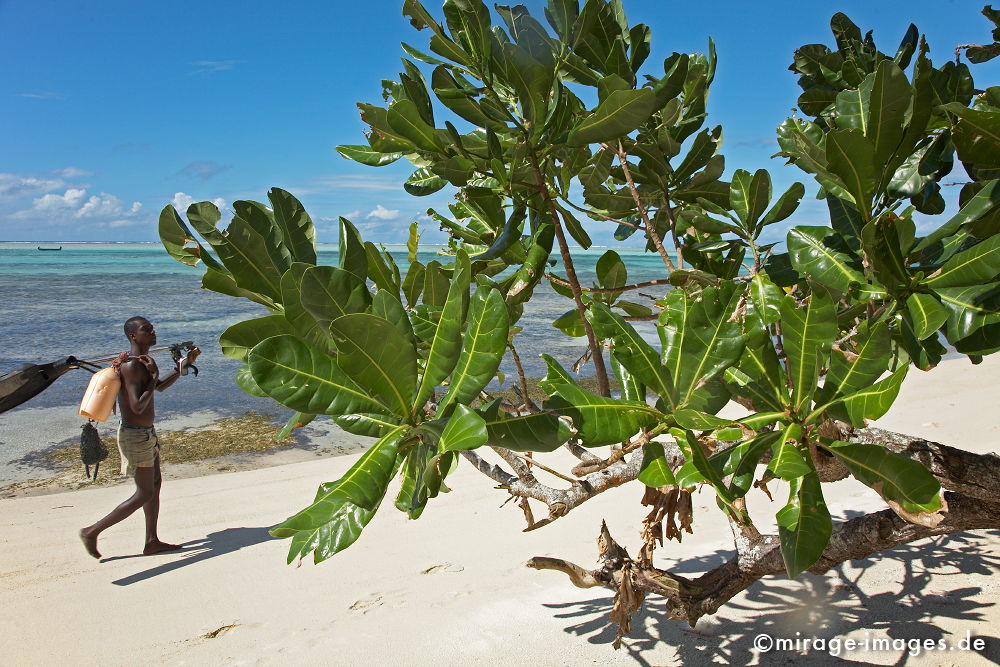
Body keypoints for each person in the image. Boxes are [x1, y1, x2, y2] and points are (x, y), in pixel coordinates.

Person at [79, 316, 200, 559]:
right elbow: (136, 406)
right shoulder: (132, 366)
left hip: (146, 434)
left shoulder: (143, 361)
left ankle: (152, 541)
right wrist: (154, 375)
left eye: (152, 328)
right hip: (135, 436)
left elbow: (160, 386)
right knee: (144, 493)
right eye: (147, 330)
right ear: (134, 336)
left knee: (154, 486)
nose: (153, 332)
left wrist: (183, 366)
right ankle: (91, 532)